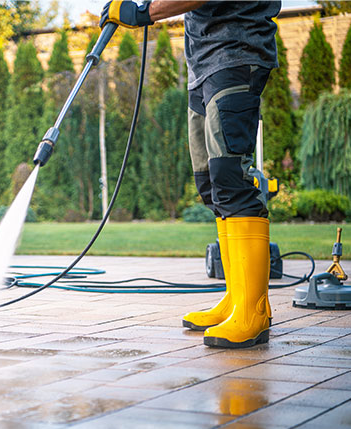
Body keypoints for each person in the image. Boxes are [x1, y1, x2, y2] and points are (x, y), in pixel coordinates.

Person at [100, 1, 281, 348]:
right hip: (205, 63)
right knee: (210, 184)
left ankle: (254, 311)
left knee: (231, 178)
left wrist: (144, 12)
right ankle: (236, 299)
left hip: (236, 53)